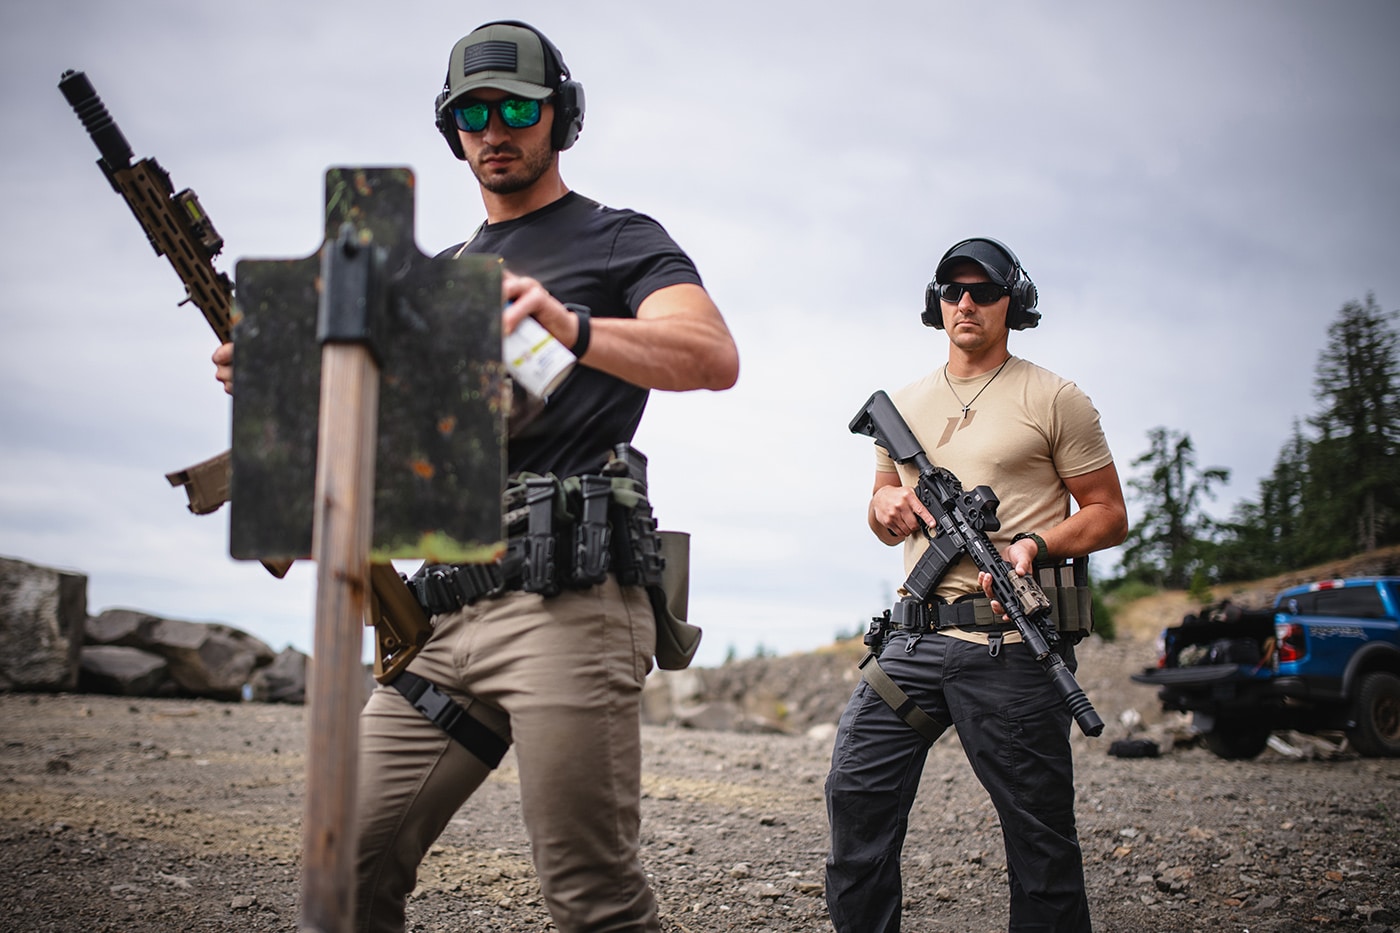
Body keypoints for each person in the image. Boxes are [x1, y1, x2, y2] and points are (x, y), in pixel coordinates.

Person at [214, 20, 738, 933]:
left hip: (566, 610)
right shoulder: (440, 275)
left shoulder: (619, 240)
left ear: (559, 116)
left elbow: (709, 354)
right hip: (440, 617)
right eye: (472, 112)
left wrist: (572, 327)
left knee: (594, 904)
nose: (495, 129)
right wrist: (283, 384)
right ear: (450, 129)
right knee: (342, 874)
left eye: (517, 109)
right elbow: (384, 443)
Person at [823, 236, 1127, 933]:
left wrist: (1034, 544)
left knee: (1039, 839)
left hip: (1012, 649)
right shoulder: (900, 406)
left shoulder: (1056, 398)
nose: (965, 302)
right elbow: (881, 511)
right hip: (912, 643)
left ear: (1012, 303)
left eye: (983, 290)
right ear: (936, 303)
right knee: (856, 791)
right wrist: (884, 507)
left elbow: (1109, 514)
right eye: (952, 290)